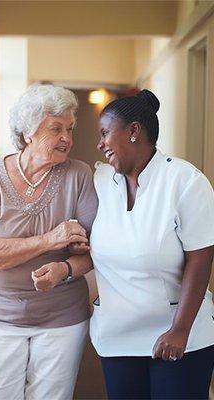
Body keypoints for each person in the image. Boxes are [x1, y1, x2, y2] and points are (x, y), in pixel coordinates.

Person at [0, 84, 98, 399]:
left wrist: (64, 269)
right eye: (56, 129)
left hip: (62, 316)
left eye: (70, 128)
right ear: (28, 134)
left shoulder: (78, 175)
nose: (67, 137)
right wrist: (53, 239)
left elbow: (94, 251)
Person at [90, 89, 214, 399]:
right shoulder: (103, 182)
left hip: (176, 335)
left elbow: (200, 259)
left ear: (133, 131)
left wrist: (180, 330)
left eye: (105, 133)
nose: (100, 143)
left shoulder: (185, 181)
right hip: (117, 337)